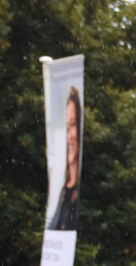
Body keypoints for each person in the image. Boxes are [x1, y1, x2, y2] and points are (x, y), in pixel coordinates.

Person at [47, 86, 82, 232]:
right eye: (66, 128)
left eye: (73, 125)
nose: (70, 136)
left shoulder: (81, 188)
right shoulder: (60, 190)